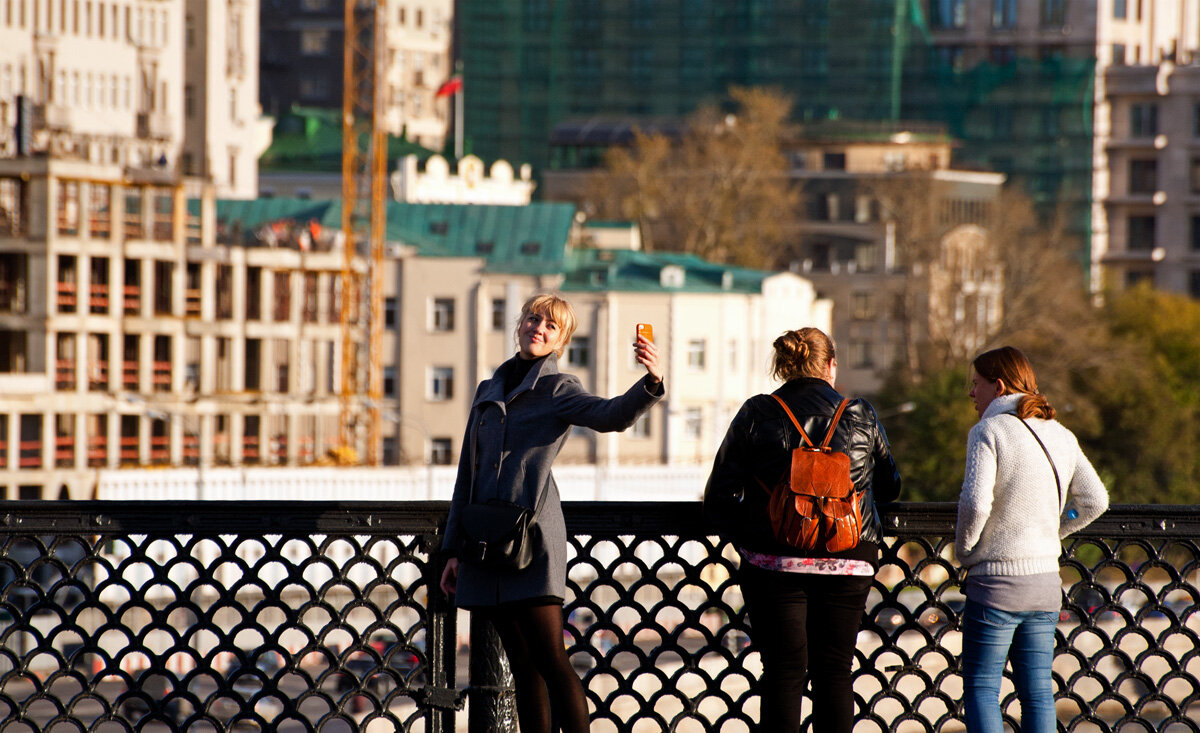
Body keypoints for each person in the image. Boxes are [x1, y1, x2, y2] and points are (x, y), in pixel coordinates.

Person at [439, 292, 664, 733]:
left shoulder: (559, 389)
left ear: (561, 341)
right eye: (532, 318)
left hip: (534, 541)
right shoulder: (489, 390)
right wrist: (452, 550)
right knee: (521, 666)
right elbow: (467, 473)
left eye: (551, 326)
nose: (538, 328)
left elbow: (612, 415)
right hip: (484, 543)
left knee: (550, 659)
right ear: (519, 324)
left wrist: (651, 381)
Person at [703, 327, 901, 733]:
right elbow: (890, 487)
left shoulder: (757, 412)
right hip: (849, 560)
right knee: (834, 673)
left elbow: (719, 495)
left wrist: (756, 533)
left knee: (783, 673)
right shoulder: (859, 413)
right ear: (831, 366)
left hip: (775, 563)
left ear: (783, 367)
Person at [956, 346, 1109, 733]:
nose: (971, 394)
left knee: (981, 687)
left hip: (995, 585)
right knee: (1039, 693)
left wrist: (965, 550)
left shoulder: (988, 431)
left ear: (999, 386)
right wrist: (1055, 530)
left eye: (976, 385)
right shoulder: (1061, 434)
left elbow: (975, 503)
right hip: (1044, 583)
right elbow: (1094, 500)